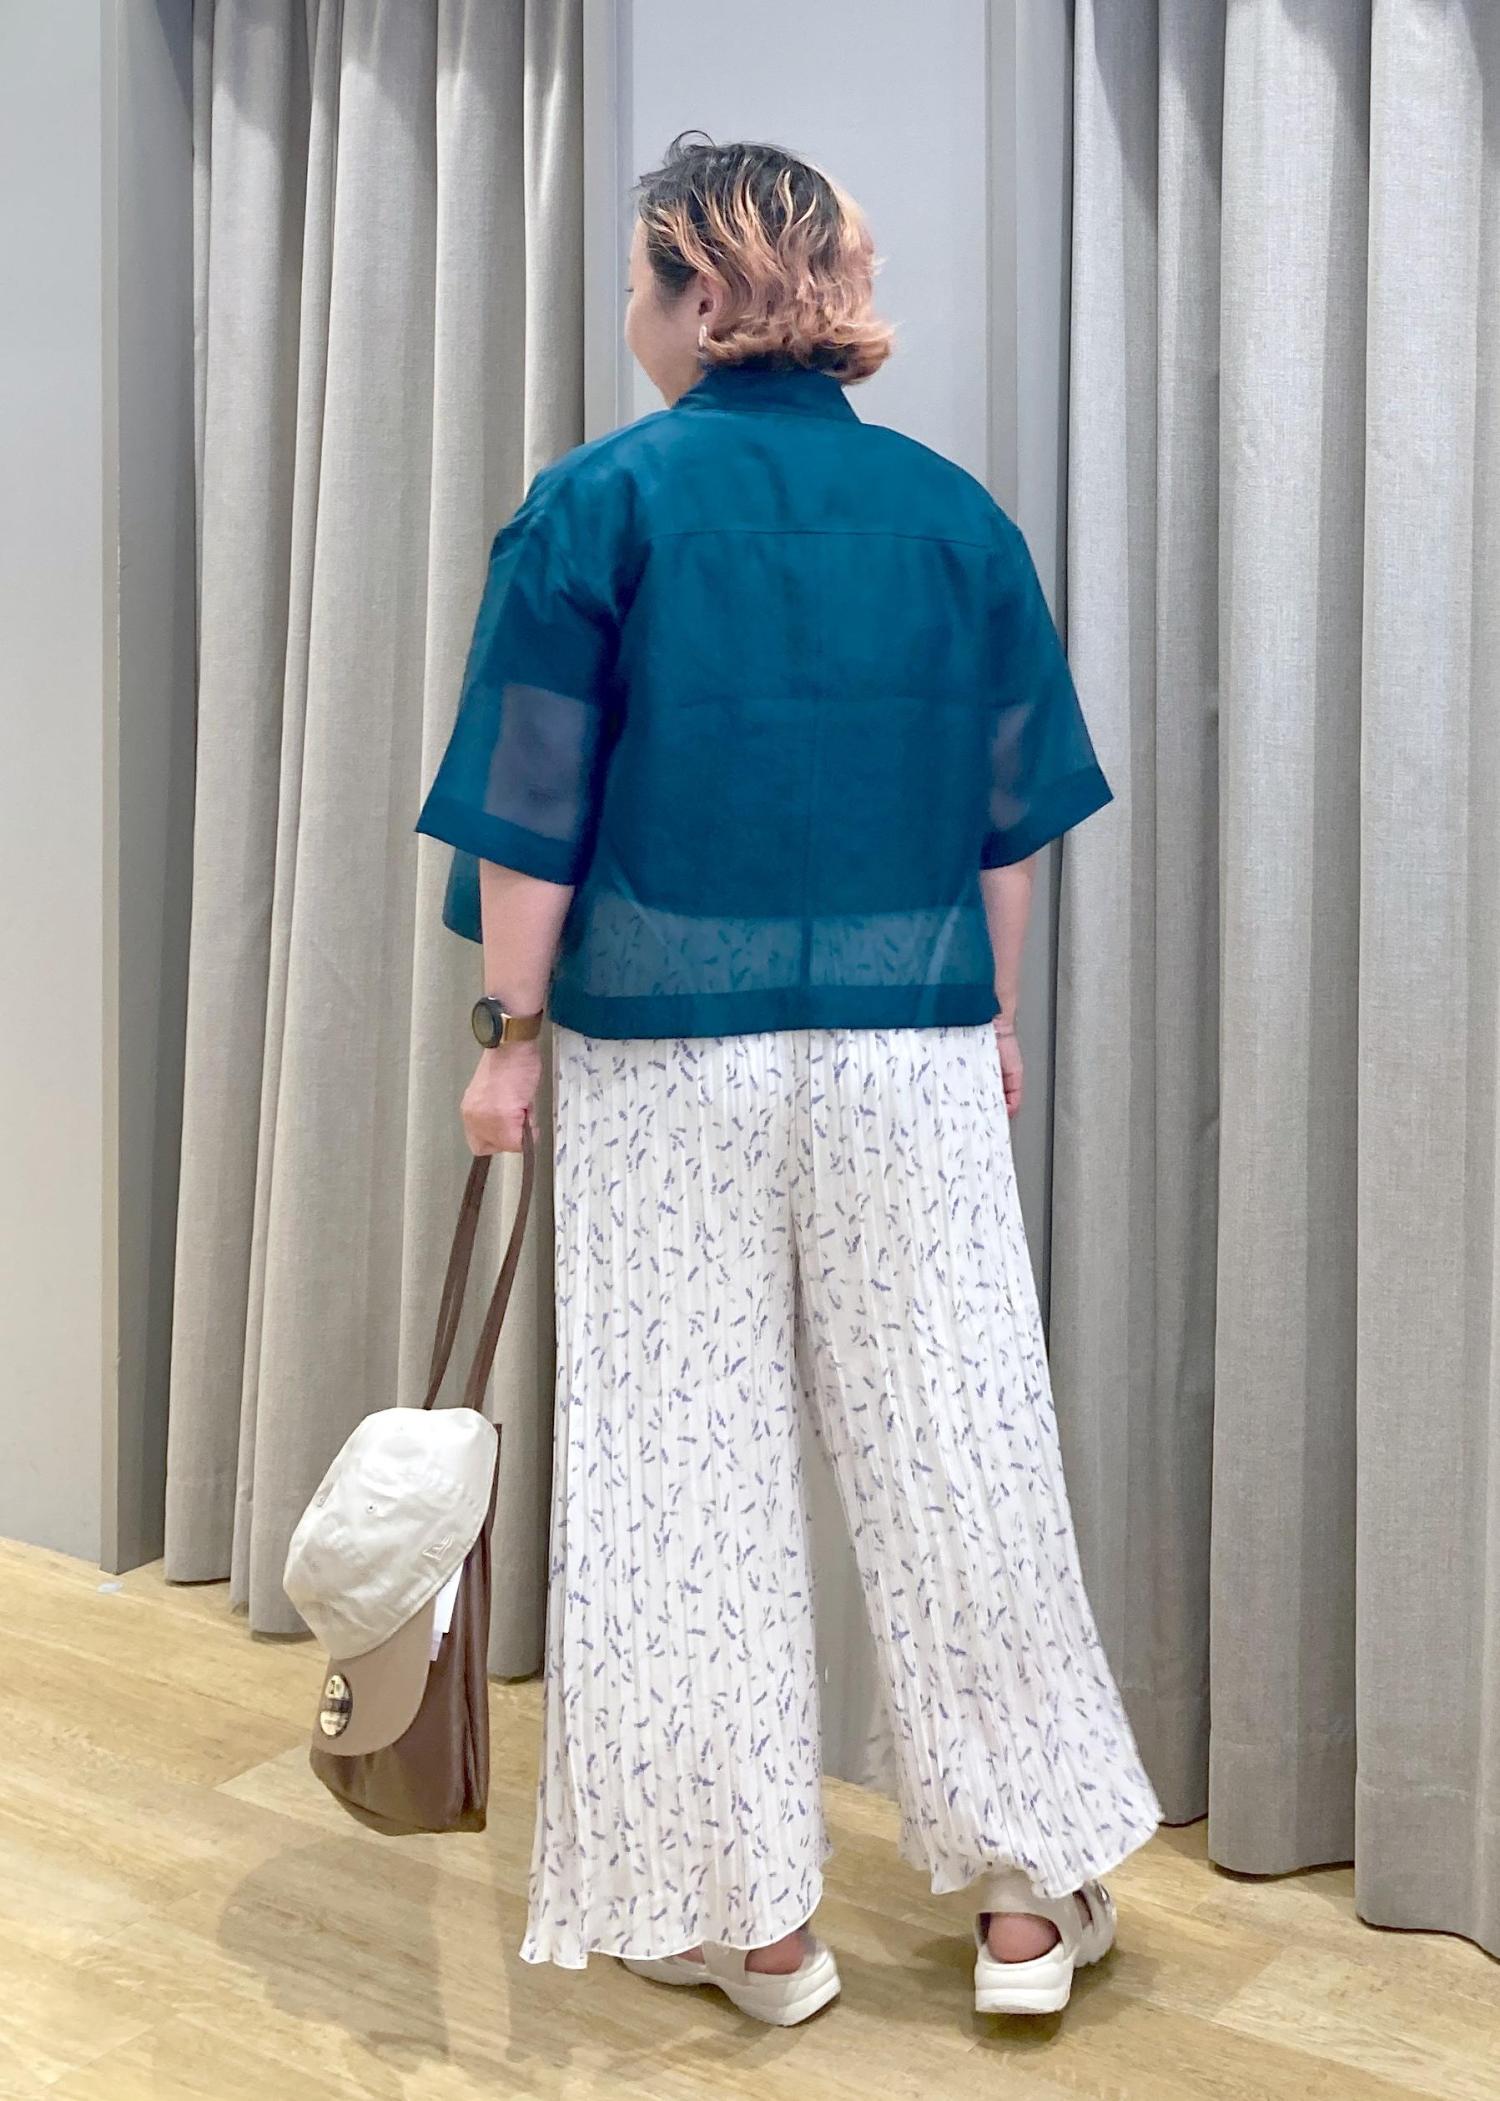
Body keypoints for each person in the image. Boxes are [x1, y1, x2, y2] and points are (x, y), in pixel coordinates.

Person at [415, 133, 1161, 2026]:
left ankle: (745, 1923)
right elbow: (1007, 822)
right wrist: (991, 1014)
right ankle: (1024, 1899)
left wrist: (509, 1036)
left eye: (636, 282)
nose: (632, 315)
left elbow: (531, 807)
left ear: (696, 286)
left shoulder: (595, 505)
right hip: (913, 1042)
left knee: (682, 1465)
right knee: (959, 1442)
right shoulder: (952, 517)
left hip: (669, 1056)